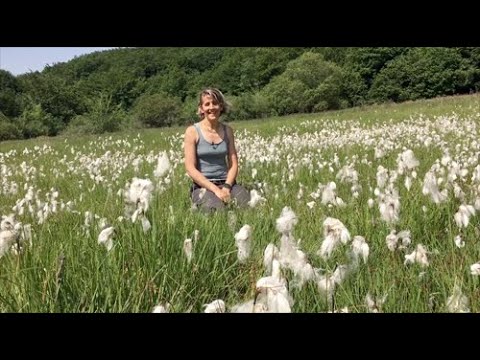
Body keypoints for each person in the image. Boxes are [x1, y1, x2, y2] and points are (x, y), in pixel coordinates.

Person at [184, 88, 250, 211]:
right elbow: (190, 168)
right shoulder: (192, 131)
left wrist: (226, 186)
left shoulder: (227, 131)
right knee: (217, 211)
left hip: (227, 183)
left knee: (247, 206)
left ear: (221, 106)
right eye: (207, 104)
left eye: (215, 103)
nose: (211, 107)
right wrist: (215, 190)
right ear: (201, 108)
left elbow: (233, 163)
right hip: (202, 186)